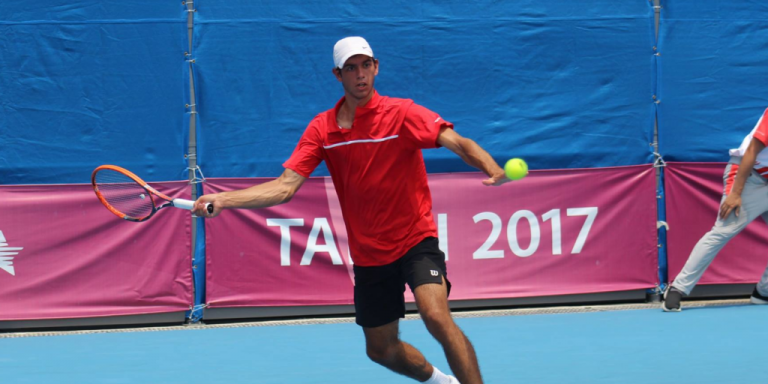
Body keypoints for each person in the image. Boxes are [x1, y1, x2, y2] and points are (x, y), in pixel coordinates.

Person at [193, 36, 511, 383]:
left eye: (366, 66)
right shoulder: (322, 129)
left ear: (376, 68)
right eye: (351, 68)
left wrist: (489, 166)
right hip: (370, 253)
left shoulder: (402, 113)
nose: (360, 74)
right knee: (381, 350)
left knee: (435, 315)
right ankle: (441, 381)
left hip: (414, 238)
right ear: (338, 75)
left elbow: (457, 141)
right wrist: (224, 200)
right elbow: (285, 187)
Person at [662, 107, 768, 312]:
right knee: (722, 231)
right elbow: (752, 151)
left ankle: (763, 292)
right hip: (748, 177)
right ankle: (678, 289)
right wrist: (736, 193)